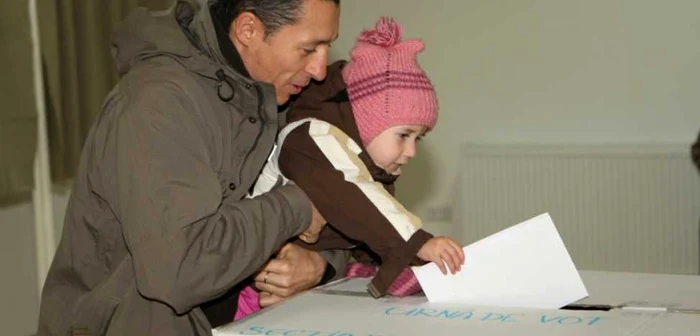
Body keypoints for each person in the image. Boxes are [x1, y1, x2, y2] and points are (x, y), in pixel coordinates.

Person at [37, 0, 345, 335]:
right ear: (248, 31)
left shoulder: (283, 93)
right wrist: (297, 205)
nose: (320, 69)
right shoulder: (156, 104)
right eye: (308, 49)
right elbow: (180, 270)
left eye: (327, 46)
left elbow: (367, 216)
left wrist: (320, 265)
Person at [235, 17, 465, 320]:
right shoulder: (313, 136)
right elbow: (357, 194)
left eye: (418, 139)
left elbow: (357, 225)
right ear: (365, 122)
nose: (411, 152)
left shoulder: (362, 162)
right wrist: (417, 243)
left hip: (289, 287)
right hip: (252, 291)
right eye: (403, 135)